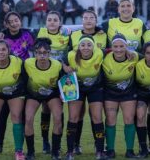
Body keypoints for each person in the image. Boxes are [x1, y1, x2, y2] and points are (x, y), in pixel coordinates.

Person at [0, 12, 34, 154]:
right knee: (2, 115)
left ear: (20, 21)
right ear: (6, 24)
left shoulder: (28, 34)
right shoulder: (2, 37)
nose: (14, 23)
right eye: (11, 21)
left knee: (20, 116)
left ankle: (20, 147)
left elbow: (38, 49)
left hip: (23, 79)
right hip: (5, 78)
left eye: (16, 20)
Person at [63, 35, 106, 160]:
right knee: (73, 117)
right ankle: (70, 152)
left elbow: (115, 51)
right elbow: (59, 60)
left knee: (97, 117)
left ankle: (99, 151)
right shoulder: (71, 55)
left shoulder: (100, 53)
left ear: (93, 46)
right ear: (78, 46)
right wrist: (64, 67)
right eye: (83, 45)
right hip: (77, 89)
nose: (86, 47)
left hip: (95, 88)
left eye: (89, 45)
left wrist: (130, 53)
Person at [34, 11, 71, 154]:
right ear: (46, 22)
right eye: (49, 19)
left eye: (55, 20)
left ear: (60, 22)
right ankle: (45, 142)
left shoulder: (66, 33)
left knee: (58, 111)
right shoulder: (40, 32)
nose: (52, 22)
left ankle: (57, 142)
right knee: (45, 109)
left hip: (59, 77)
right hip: (43, 75)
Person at [24, 38, 64, 160]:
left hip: (52, 94)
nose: (42, 56)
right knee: (29, 119)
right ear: (35, 53)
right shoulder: (28, 63)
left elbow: (64, 82)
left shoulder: (57, 65)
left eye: (45, 53)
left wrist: (64, 93)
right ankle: (31, 152)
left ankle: (55, 152)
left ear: (49, 53)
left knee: (58, 117)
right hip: (34, 94)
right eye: (39, 53)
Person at [102, 34, 140, 158]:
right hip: (110, 93)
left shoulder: (134, 56)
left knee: (129, 119)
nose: (118, 49)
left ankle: (129, 151)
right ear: (111, 47)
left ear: (126, 47)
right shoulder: (104, 56)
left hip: (128, 93)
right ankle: (110, 150)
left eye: (122, 46)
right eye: (115, 46)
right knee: (110, 120)